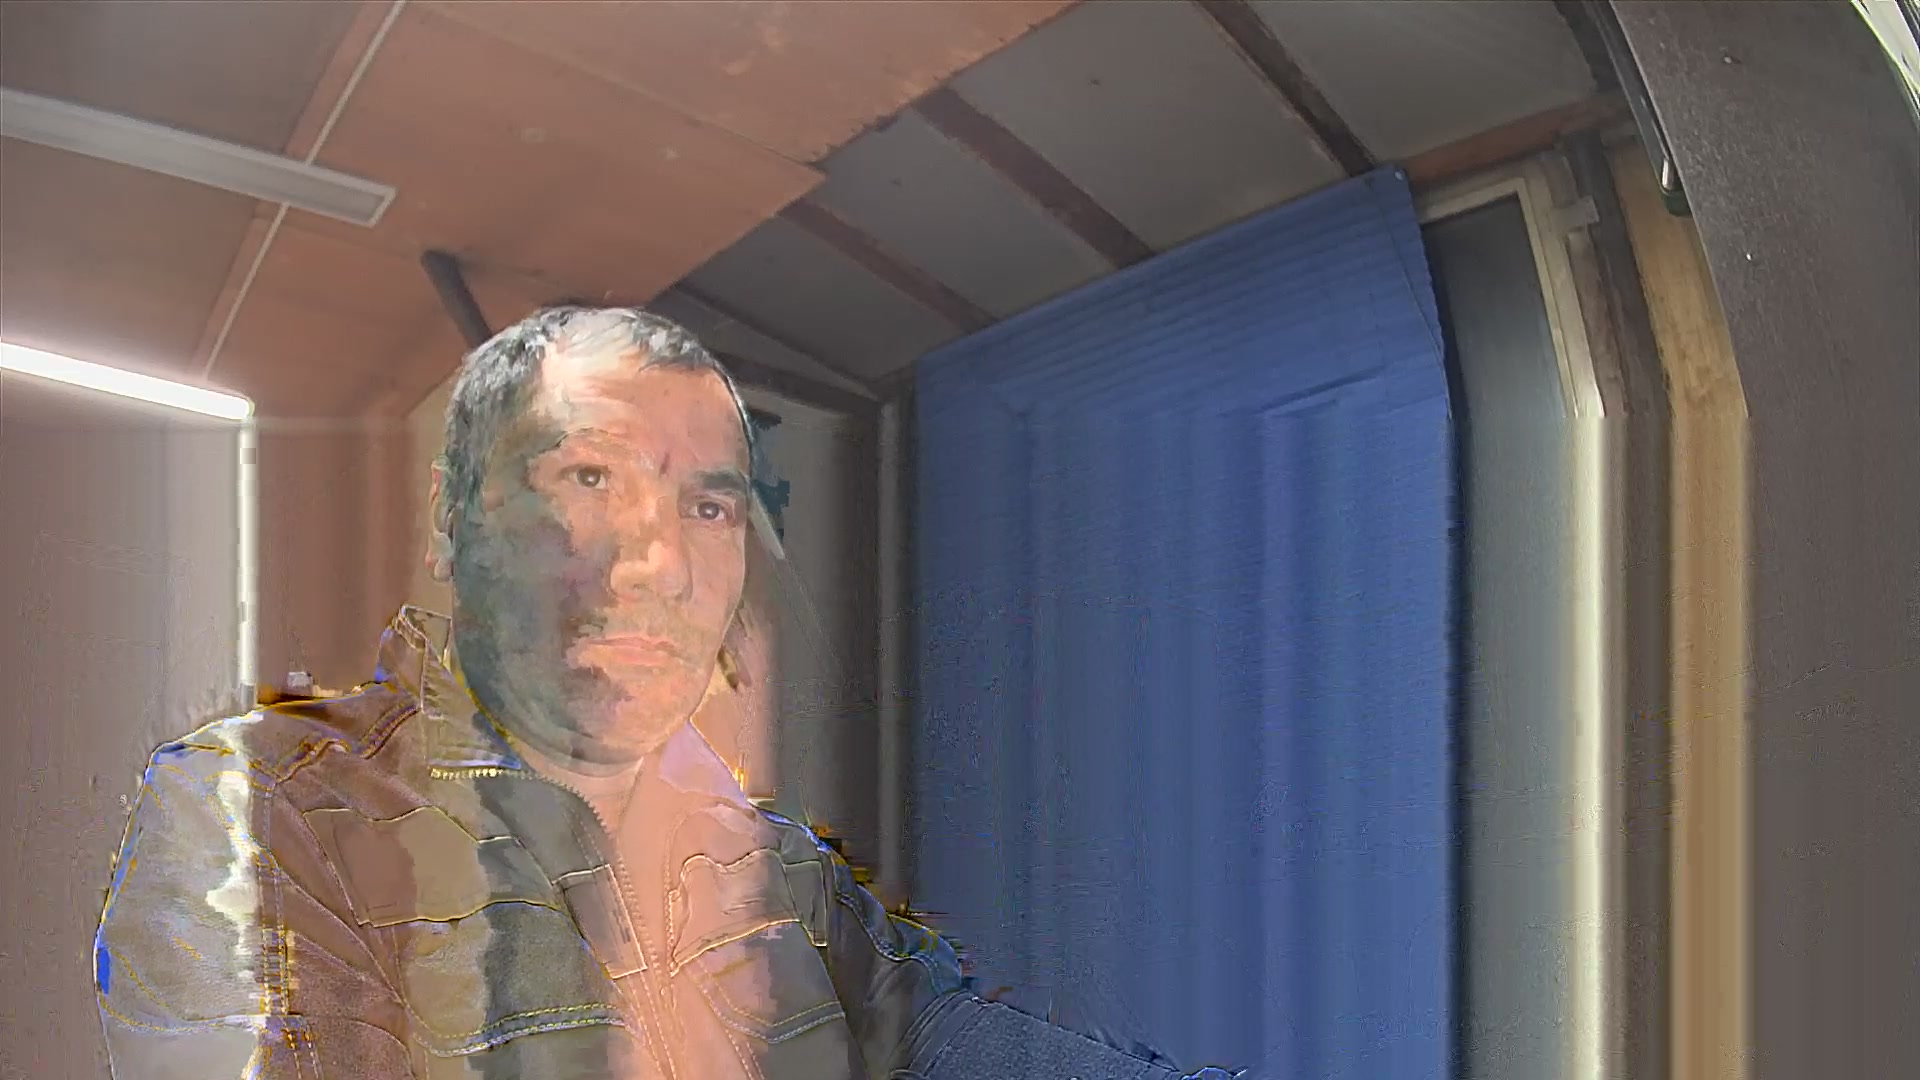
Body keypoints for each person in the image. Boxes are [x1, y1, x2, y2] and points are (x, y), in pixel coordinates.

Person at [92, 306, 1247, 1078]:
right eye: (590, 478)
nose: (660, 562)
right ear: (453, 527)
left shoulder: (776, 865)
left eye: (708, 504)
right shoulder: (262, 806)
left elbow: (942, 1039)